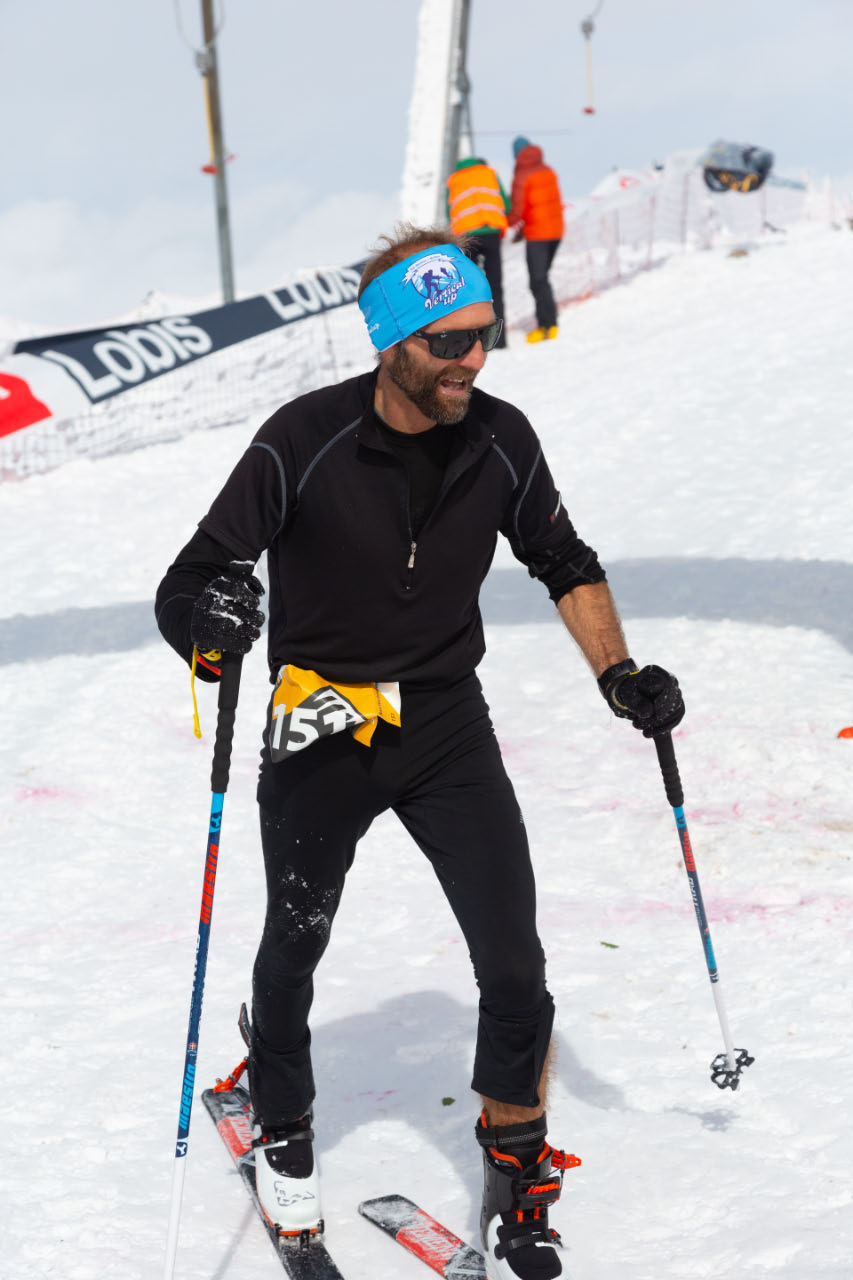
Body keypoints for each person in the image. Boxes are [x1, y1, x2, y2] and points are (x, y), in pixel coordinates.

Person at [155, 224, 684, 1280]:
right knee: (295, 942)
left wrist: (617, 672)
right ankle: (285, 1133)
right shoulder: (302, 438)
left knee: (514, 958)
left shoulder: (500, 437)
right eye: (447, 341)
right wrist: (209, 623)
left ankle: (516, 1167)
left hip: (444, 722)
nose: (470, 360)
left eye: (482, 335)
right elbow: (193, 577)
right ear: (392, 341)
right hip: (323, 716)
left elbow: (563, 558)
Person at [446, 155, 510, 346]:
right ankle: (499, 339)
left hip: (467, 237)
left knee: (470, 288)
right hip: (491, 233)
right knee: (495, 287)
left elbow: (448, 212)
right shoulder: (489, 174)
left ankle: (474, 338)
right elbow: (506, 205)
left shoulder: (454, 180)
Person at [509, 136, 565, 344]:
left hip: (538, 235)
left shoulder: (522, 174)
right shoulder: (548, 170)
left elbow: (518, 211)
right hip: (556, 232)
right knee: (543, 279)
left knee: (537, 281)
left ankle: (547, 325)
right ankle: (549, 322)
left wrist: (505, 224)